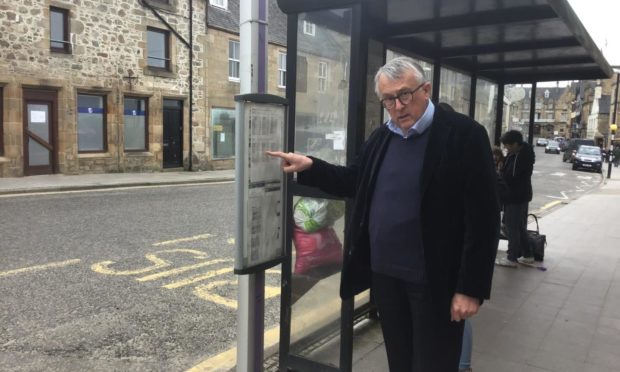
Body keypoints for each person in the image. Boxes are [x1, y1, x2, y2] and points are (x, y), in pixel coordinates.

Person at [268, 56, 500, 371]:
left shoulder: (464, 135)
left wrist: (470, 288)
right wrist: (311, 166)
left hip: (435, 281)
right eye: (388, 100)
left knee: (435, 364)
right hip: (386, 276)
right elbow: (354, 179)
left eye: (404, 94)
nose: (398, 106)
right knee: (400, 363)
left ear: (426, 89)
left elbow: (484, 217)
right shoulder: (382, 137)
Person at [496, 130, 535, 267]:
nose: (506, 148)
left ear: (516, 144)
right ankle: (528, 254)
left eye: (508, 145)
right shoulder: (518, 153)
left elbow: (511, 176)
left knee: (511, 227)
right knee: (519, 226)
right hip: (520, 195)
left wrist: (499, 175)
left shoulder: (520, 157)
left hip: (515, 196)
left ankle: (511, 258)